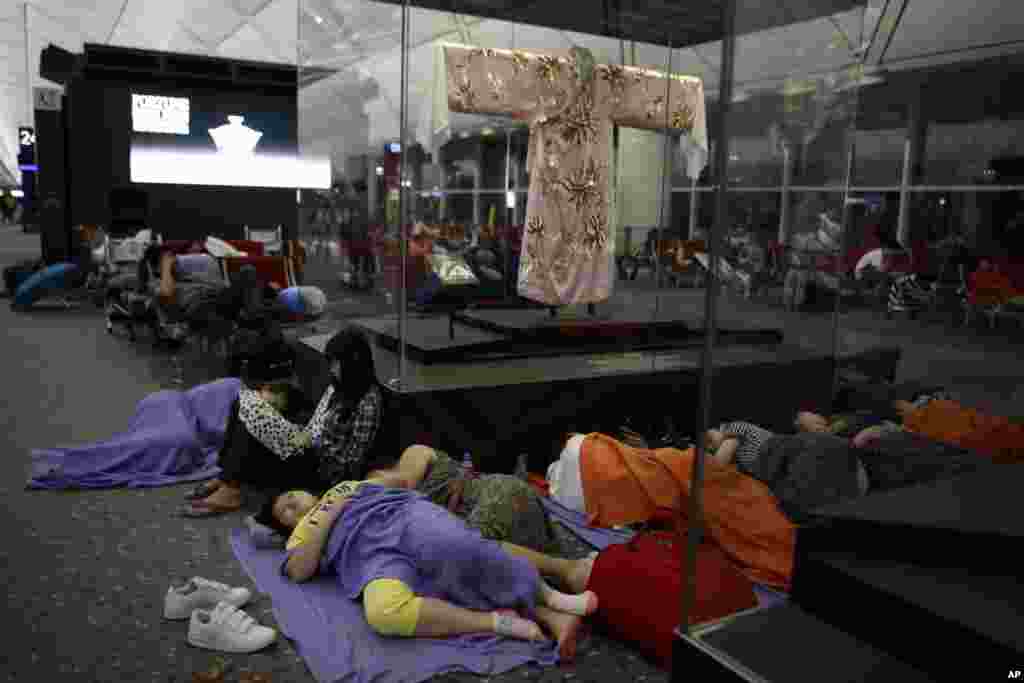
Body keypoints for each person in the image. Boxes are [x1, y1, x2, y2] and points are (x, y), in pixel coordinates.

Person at [260, 477, 598, 659]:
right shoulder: (301, 536)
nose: (292, 504)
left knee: (459, 549)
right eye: (285, 511)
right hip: (370, 558)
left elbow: (396, 483)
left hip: (401, 519)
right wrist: (326, 512)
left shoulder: (343, 486)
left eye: (291, 495)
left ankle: (549, 598)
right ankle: (499, 622)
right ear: (286, 527)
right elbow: (300, 570)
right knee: (384, 613)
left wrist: (360, 488)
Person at [184, 327, 385, 516]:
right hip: (307, 443)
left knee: (253, 410)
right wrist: (295, 430)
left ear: (352, 363)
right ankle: (226, 478)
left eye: (336, 363)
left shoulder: (366, 403)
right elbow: (316, 421)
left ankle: (231, 491)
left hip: (318, 467)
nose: (332, 368)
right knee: (244, 402)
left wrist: (309, 443)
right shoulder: (339, 387)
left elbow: (351, 461)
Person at [366, 444, 562, 555]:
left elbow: (401, 485)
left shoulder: (414, 454)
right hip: (506, 518)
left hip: (496, 496)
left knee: (465, 550)